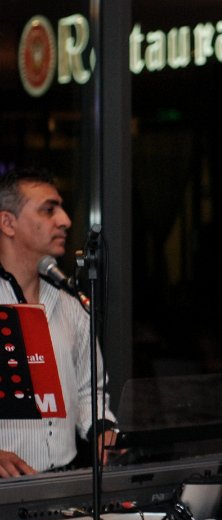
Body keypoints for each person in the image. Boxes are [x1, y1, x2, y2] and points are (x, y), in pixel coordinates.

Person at [0, 168, 116, 477]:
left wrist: (103, 429)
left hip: (64, 485)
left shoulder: (71, 306)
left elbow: (89, 391)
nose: (65, 220)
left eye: (61, 209)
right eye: (48, 210)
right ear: (8, 223)